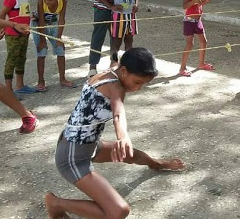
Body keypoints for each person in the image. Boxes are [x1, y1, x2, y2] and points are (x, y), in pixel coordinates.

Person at [44, 48, 185, 219]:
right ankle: (55, 203)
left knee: (129, 153)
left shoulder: (114, 70)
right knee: (118, 211)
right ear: (124, 71)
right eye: (137, 82)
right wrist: (122, 135)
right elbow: (118, 113)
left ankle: (155, 163)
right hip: (72, 156)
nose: (138, 88)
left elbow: (117, 57)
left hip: (88, 143)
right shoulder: (115, 87)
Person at [0, 0, 36, 95]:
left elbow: (23, 14)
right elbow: (1, 16)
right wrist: (1, 30)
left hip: (24, 34)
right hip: (13, 35)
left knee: (21, 58)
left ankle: (20, 85)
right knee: (11, 60)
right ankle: (8, 90)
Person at [32, 0, 76, 92]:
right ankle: (41, 81)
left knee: (60, 50)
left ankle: (62, 79)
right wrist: (42, 40)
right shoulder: (40, 3)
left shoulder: (63, 2)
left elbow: (61, 20)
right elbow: (41, 21)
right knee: (42, 52)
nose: (47, 1)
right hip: (39, 25)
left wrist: (58, 38)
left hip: (54, 24)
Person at [178, 0, 213, 77]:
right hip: (189, 21)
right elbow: (184, 6)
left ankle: (201, 63)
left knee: (204, 41)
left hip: (198, 21)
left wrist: (206, 1)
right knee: (190, 44)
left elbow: (199, 3)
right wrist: (193, 1)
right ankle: (182, 68)